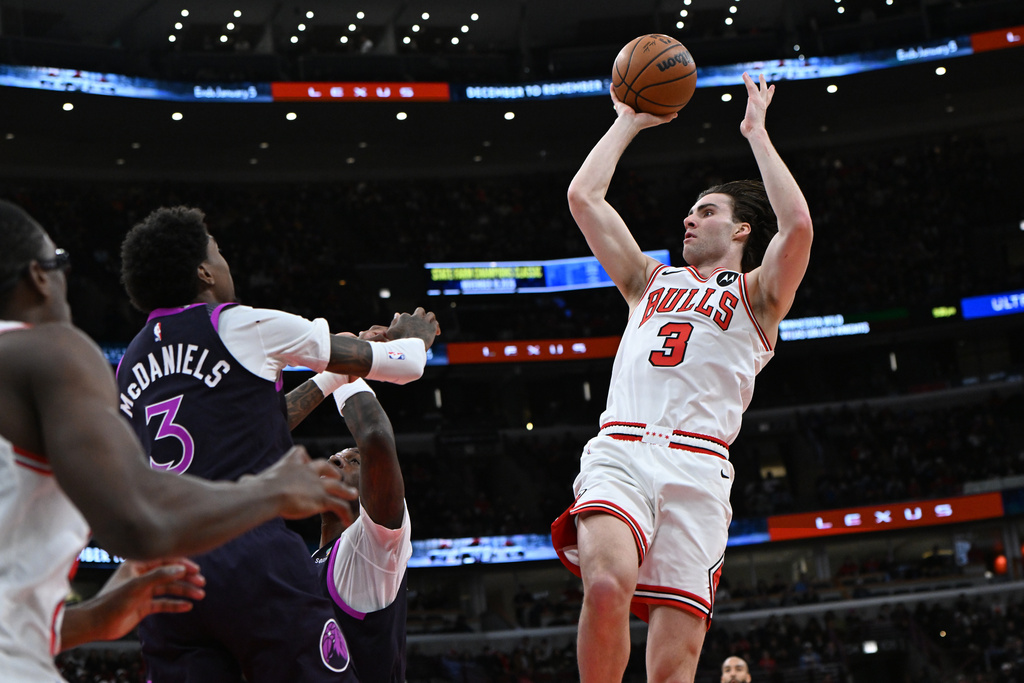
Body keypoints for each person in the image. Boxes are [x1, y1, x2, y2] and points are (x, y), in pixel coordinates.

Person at [0, 199, 357, 683]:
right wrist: (270, 489)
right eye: (59, 261)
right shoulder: (52, 352)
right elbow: (136, 520)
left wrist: (98, 617)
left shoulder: (130, 360)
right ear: (39, 276)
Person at [551, 72, 813, 683]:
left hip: (699, 467)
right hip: (622, 447)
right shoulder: (649, 280)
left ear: (742, 228)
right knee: (609, 586)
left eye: (707, 211)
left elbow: (797, 225)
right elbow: (584, 198)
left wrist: (757, 134)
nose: (689, 220)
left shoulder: (761, 296)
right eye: (690, 211)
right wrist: (628, 121)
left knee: (674, 669)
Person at [116, 205, 439, 682]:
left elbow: (257, 426)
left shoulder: (129, 365)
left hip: (165, 573)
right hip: (246, 551)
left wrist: (331, 378)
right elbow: (404, 365)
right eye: (219, 254)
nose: (226, 264)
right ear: (204, 272)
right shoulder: (241, 324)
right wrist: (413, 340)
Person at [306, 347, 412, 682]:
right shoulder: (311, 559)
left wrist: (346, 363)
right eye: (334, 455)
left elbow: (376, 438)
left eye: (353, 460)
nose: (335, 460)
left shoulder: (373, 548)